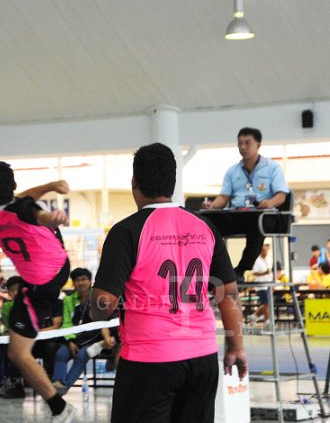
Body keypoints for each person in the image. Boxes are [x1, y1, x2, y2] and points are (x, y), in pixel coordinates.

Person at [90, 143, 246, 423]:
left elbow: (105, 302)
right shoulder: (206, 227)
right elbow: (229, 293)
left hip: (149, 360)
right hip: (202, 358)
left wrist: (95, 308)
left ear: (134, 182)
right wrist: (236, 346)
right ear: (173, 182)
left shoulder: (126, 231)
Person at [0, 160, 75, 422]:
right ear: (13, 185)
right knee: (17, 353)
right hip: (49, 275)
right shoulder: (23, 207)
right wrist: (50, 217)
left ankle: (61, 409)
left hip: (43, 280)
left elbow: (25, 204)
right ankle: (60, 408)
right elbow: (31, 209)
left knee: (18, 353)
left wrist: (50, 191)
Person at [201, 127, 289, 280]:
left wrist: (269, 202)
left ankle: (241, 270)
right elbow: (223, 197)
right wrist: (212, 206)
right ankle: (213, 269)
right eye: (240, 143)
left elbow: (281, 195)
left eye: (247, 143)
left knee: (257, 222)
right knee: (208, 222)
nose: (243, 147)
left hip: (263, 215)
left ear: (258, 145)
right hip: (238, 214)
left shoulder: (272, 168)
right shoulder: (232, 171)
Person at [52, 267, 115, 395]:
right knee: (61, 354)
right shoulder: (68, 300)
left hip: (93, 338)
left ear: (90, 281)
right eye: (77, 280)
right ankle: (58, 382)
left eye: (83, 279)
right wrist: (70, 341)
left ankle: (61, 390)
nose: (80, 283)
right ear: (73, 283)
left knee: (82, 355)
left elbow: (102, 322)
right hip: (74, 337)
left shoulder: (98, 299)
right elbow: (66, 323)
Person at [248, 244, 272, 325]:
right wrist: (264, 273)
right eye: (265, 251)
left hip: (268, 285)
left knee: (267, 303)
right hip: (261, 286)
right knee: (266, 303)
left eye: (267, 251)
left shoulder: (265, 260)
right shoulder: (257, 261)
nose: (266, 253)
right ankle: (267, 320)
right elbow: (254, 273)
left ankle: (254, 316)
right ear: (261, 251)